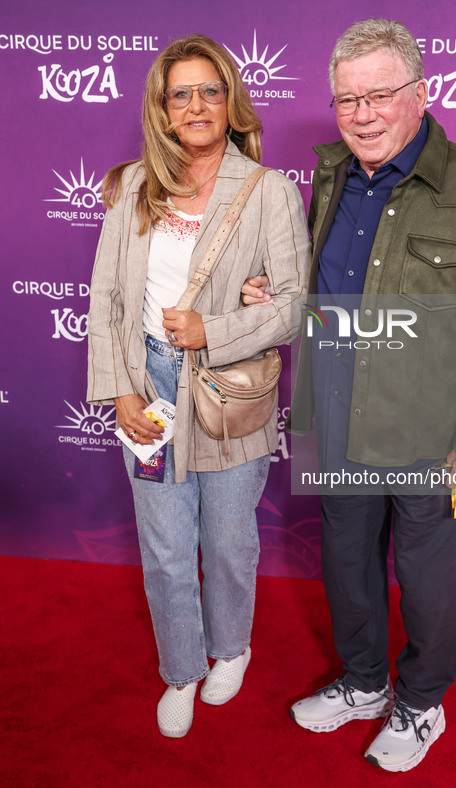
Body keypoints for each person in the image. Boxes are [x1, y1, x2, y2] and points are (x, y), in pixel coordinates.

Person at [242, 18, 456, 772]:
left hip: (433, 434)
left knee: (429, 582)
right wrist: (277, 290)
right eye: (345, 99)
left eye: (377, 96)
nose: (361, 113)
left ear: (420, 94)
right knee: (346, 565)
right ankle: (366, 683)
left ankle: (419, 702)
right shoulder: (331, 174)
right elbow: (338, 284)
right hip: (338, 420)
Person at [87, 34, 310, 739]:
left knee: (227, 538)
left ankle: (231, 648)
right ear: (161, 106)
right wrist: (120, 388)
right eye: (180, 93)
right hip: (149, 382)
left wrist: (212, 329)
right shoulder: (130, 187)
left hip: (229, 390)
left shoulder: (268, 190)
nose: (196, 105)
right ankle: (181, 668)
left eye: (209, 91)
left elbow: (292, 303)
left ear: (230, 100)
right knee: (163, 542)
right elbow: (106, 300)